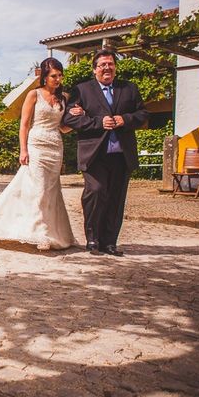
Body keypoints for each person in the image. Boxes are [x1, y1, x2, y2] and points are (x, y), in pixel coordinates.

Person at [0, 57, 82, 250]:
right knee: (39, 190)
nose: (58, 79)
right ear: (45, 77)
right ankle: (40, 234)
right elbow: (23, 125)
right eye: (54, 76)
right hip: (36, 145)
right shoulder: (34, 94)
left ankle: (55, 233)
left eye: (60, 75)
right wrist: (23, 150)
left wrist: (77, 117)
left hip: (55, 146)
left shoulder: (63, 98)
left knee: (52, 190)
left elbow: (63, 128)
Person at [62, 49, 148, 256]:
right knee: (96, 191)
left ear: (115, 68)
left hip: (121, 154)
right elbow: (69, 119)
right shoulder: (82, 90)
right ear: (94, 70)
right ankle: (92, 239)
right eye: (102, 65)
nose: (107, 68)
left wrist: (124, 120)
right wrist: (98, 122)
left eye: (110, 64)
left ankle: (109, 242)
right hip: (94, 154)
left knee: (116, 199)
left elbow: (143, 114)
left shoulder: (129, 89)